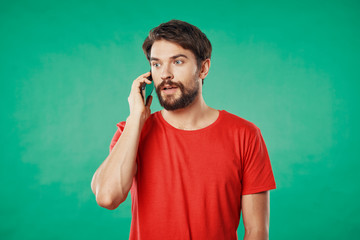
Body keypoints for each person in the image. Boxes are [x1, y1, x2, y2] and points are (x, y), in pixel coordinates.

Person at [91, 19, 276, 240]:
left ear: (203, 68)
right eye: (156, 64)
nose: (165, 74)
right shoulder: (132, 131)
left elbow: (257, 231)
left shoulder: (245, 134)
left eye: (177, 62)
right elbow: (107, 197)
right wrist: (135, 119)